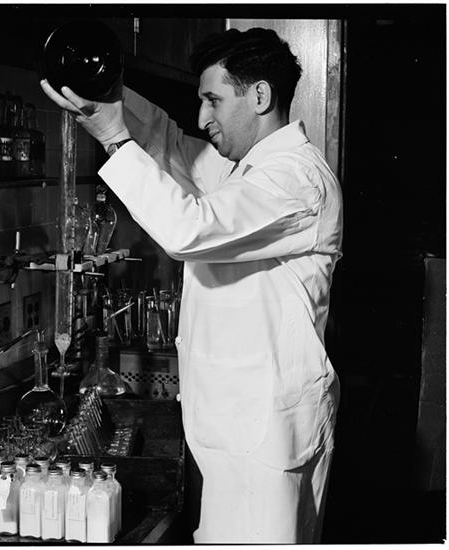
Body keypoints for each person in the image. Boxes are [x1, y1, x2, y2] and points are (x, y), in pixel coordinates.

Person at [41, 26, 343, 544]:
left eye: (213, 100)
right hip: (245, 434)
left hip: (263, 447)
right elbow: (170, 145)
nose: (203, 118)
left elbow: (189, 230)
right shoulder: (251, 172)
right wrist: (109, 96)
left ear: (260, 96)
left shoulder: (294, 179)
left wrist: (115, 139)